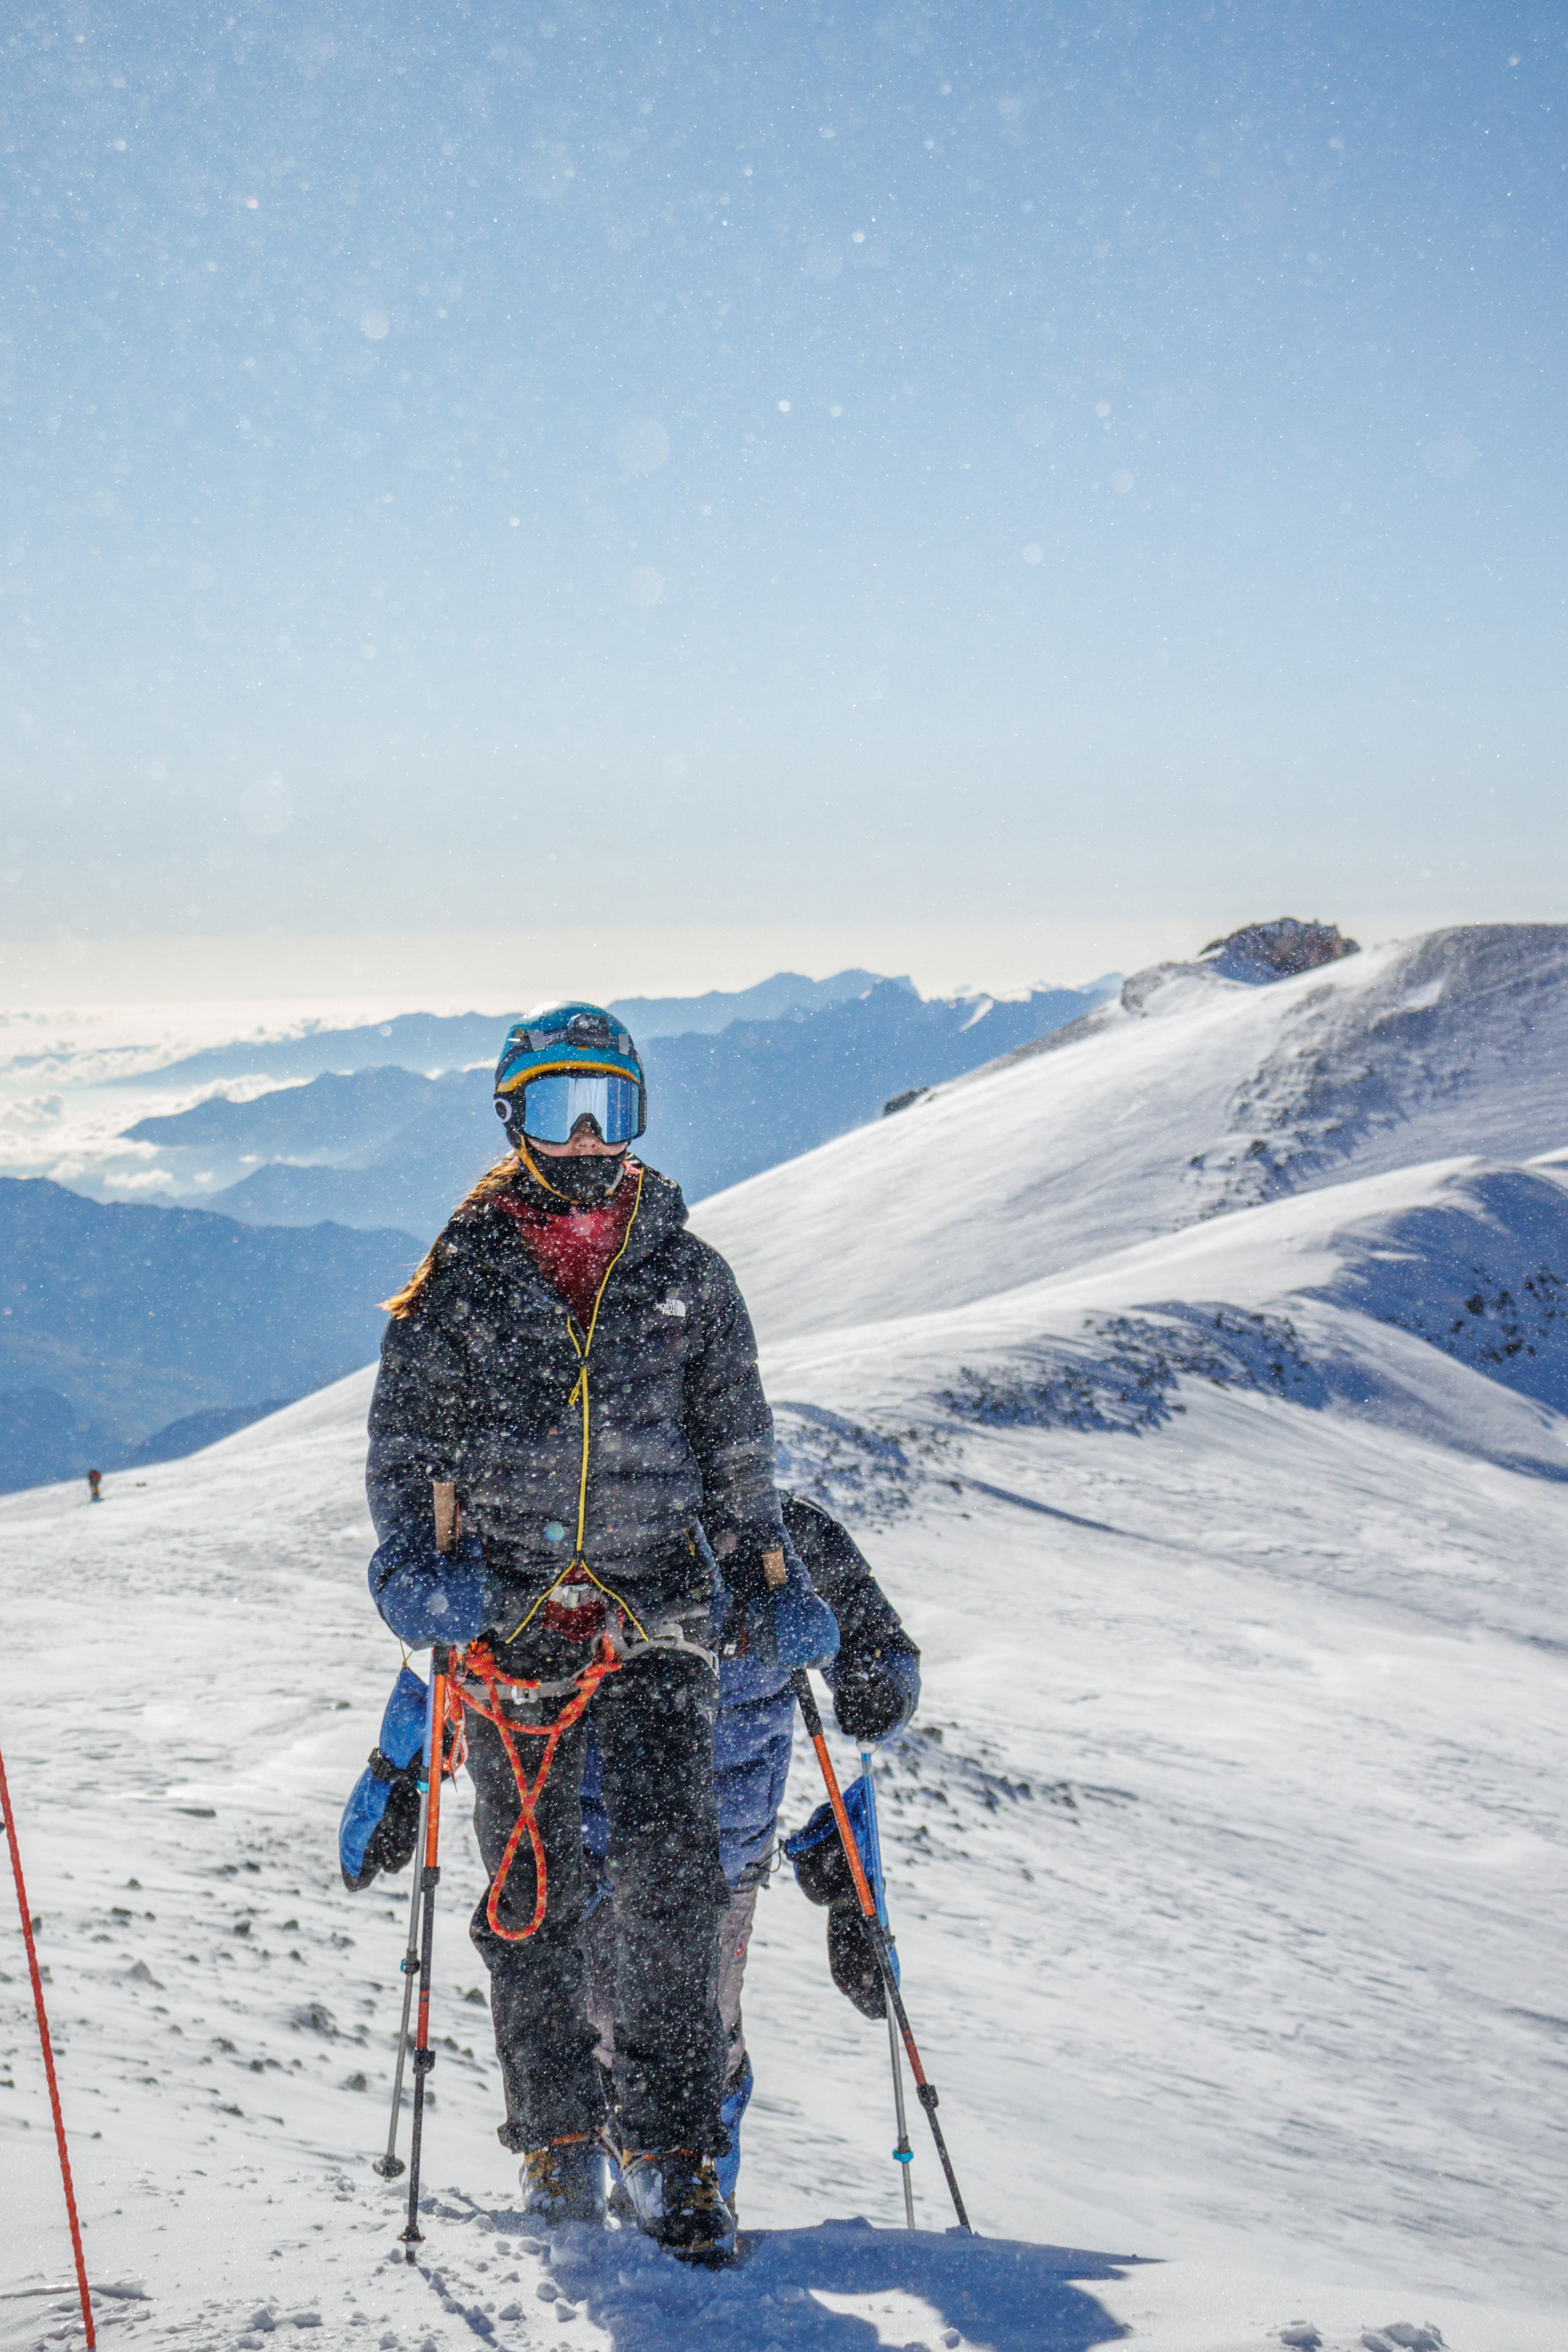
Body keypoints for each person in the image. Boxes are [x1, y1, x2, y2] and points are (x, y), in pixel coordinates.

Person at [363, 1001, 827, 2261]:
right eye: (560, 1107)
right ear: (511, 1116)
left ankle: (674, 2153)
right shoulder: (459, 1277)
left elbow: (737, 1445)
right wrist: (410, 1572)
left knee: (673, 1882)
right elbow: (407, 1448)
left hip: (656, 1611)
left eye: (608, 1108)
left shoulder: (689, 1274)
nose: (585, 1138)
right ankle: (557, 2140)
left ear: (638, 1118)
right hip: (511, 1620)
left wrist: (765, 1573)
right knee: (532, 1892)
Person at [579, 1490, 920, 2216]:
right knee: (612, 2026)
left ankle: (693, 2190)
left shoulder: (783, 1534)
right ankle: (656, 2190)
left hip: (716, 1853)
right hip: (613, 1845)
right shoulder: (602, 1508)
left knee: (704, 2030)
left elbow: (879, 1640)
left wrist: (878, 1686)